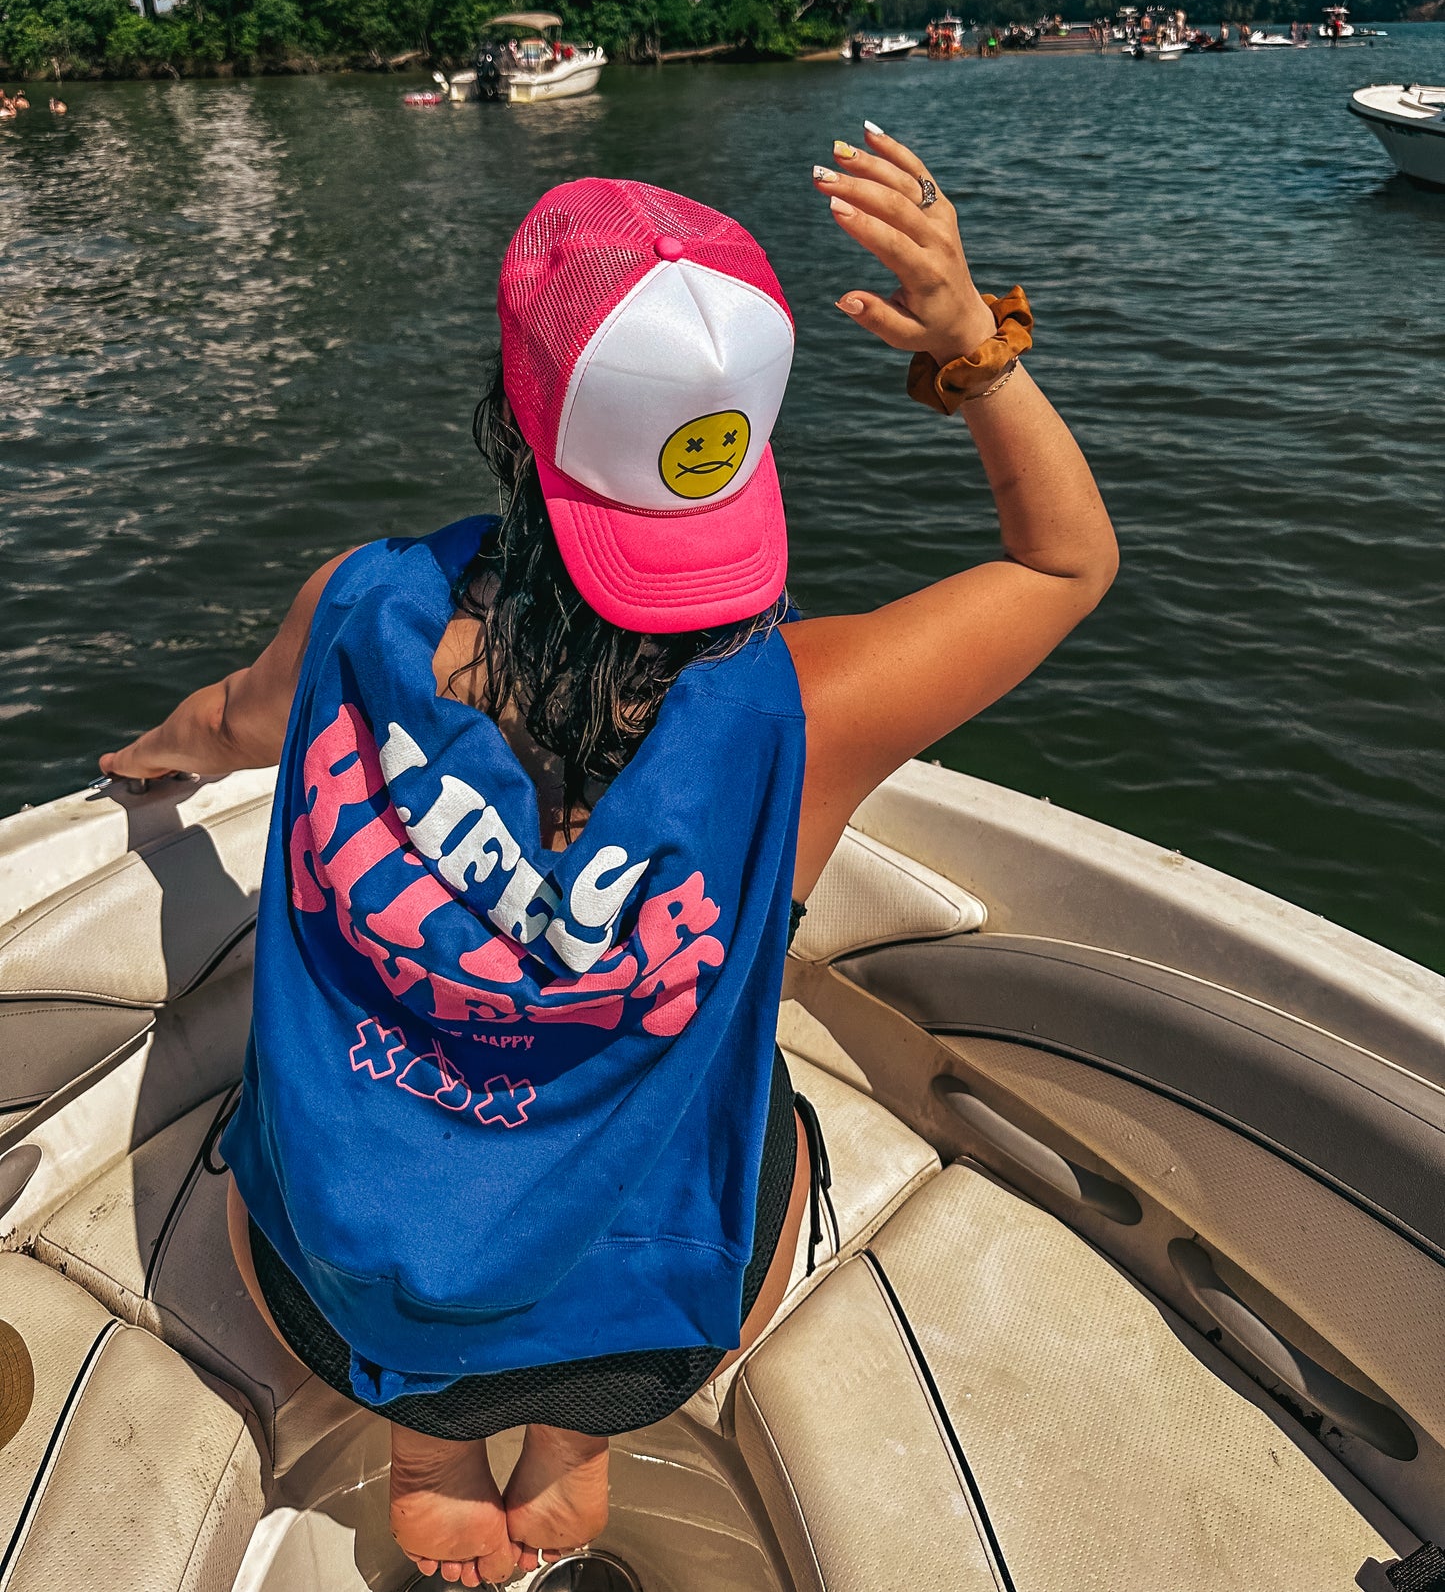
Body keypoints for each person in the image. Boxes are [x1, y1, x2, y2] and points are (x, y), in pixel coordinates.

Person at [100, 129, 1117, 1587]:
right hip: (653, 1331)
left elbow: (222, 723)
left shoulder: (355, 614)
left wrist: (161, 753)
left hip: (330, 1291)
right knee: (741, 1092)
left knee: (370, 1166)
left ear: (514, 420)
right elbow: (1062, 562)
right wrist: (974, 348)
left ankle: (430, 1447)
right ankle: (577, 1443)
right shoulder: (804, 712)